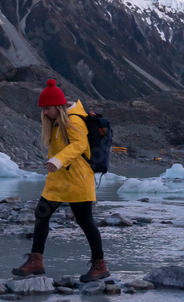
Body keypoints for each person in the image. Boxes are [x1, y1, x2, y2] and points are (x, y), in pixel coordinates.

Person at [12, 78, 111, 283]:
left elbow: (79, 145)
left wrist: (58, 160)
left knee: (85, 222)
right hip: (59, 180)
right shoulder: (58, 121)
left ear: (57, 106)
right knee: (41, 214)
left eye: (47, 109)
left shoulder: (74, 120)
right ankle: (36, 260)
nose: (45, 113)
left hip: (77, 179)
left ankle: (100, 265)